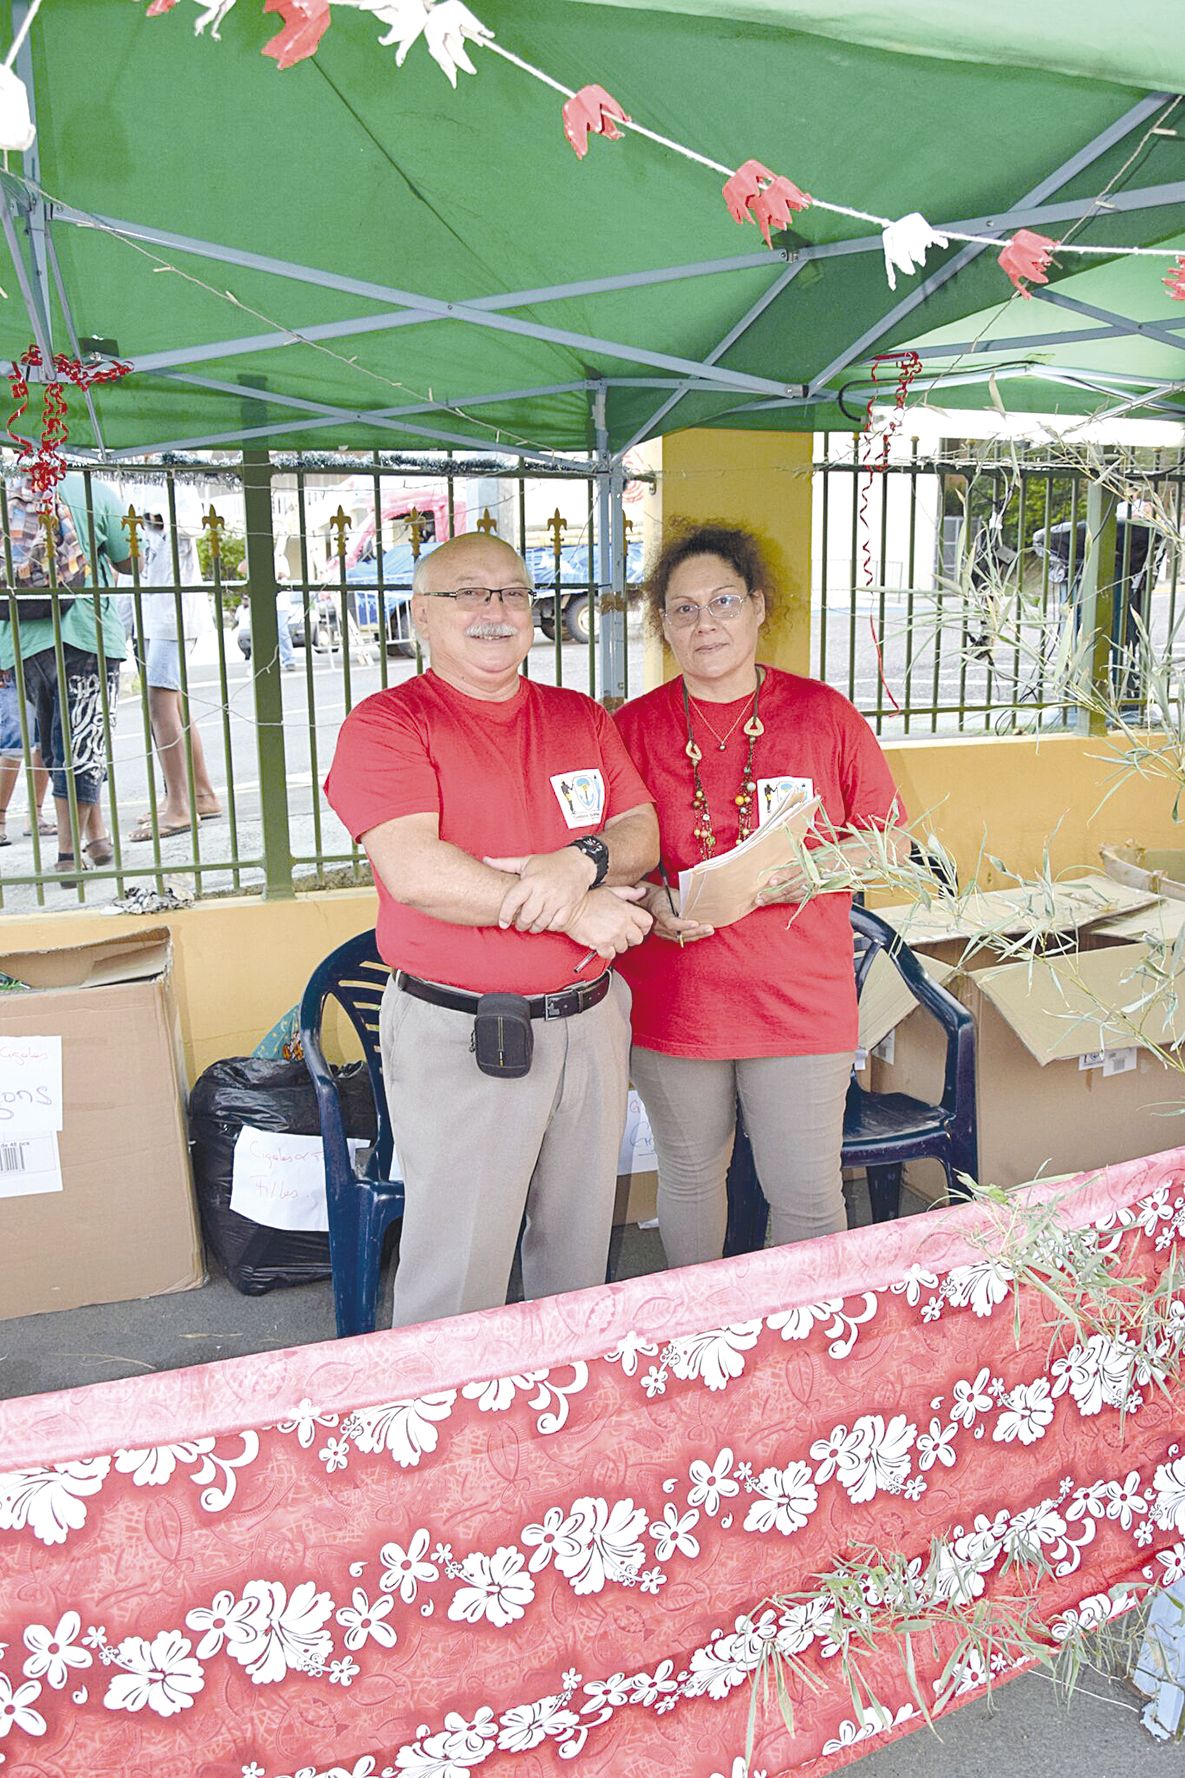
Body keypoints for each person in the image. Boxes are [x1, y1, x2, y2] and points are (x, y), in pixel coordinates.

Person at [324, 530, 659, 1328]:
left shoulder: (577, 716)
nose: (495, 610)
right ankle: (440, 1437)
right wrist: (576, 904)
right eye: (468, 593)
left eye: (512, 592)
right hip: (465, 1032)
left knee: (577, 1257)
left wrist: (576, 860)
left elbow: (640, 830)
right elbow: (417, 872)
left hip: (590, 1020)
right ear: (421, 616)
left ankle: (564, 1424)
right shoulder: (388, 724)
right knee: (459, 1271)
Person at [613, 520, 905, 1270]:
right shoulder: (629, 730)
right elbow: (608, 859)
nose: (704, 623)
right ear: (663, 624)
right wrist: (650, 904)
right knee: (688, 1176)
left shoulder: (822, 714)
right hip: (675, 999)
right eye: (682, 608)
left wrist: (787, 878)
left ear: (757, 607)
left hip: (798, 1000)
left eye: (722, 602)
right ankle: (700, 1338)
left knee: (805, 1191)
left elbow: (889, 843)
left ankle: (806, 1356)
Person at [0, 471, 129, 882]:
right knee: (83, 741)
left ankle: (97, 838)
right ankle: (68, 854)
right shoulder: (92, 489)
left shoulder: (9, 493)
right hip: (85, 630)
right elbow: (129, 559)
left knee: (56, 742)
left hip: (23, 638)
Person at [128, 509, 222, 840]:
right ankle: (200, 795)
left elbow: (195, 526)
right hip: (151, 610)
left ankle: (181, 807)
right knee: (172, 703)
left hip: (173, 612)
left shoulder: (173, 480)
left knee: (160, 701)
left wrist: (161, 518)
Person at [0, 675, 51, 844]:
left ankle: (35, 815)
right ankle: (0, 819)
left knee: (44, 740)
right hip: (11, 667)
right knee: (14, 744)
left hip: (40, 664)